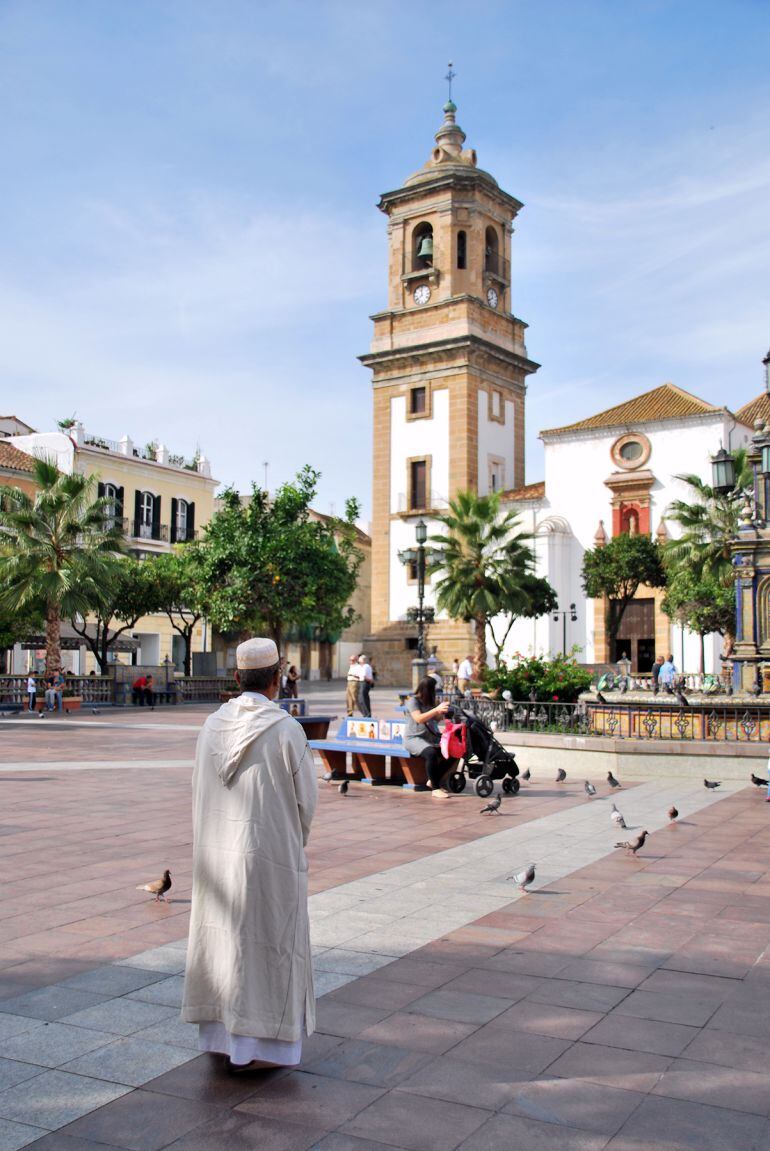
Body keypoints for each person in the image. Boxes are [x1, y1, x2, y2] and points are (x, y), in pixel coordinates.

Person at [181, 636, 317, 1071]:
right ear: (276, 679)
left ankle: (222, 1038)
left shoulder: (210, 727)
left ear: (237, 678)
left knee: (223, 942)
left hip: (217, 855)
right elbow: (305, 805)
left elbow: (198, 790)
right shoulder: (286, 731)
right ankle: (264, 1048)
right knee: (268, 945)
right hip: (268, 856)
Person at [404, 677, 453, 798]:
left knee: (453, 751)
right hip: (414, 738)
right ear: (428, 689)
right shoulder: (413, 701)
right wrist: (436, 710)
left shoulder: (430, 701)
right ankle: (435, 789)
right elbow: (419, 718)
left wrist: (443, 711)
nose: (436, 692)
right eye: (434, 690)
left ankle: (433, 780)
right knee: (431, 753)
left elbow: (435, 718)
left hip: (430, 737)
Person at [358, 653, 374, 717]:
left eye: (360, 661)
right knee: (361, 699)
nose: (359, 662)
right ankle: (365, 713)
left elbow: (364, 676)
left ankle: (367, 714)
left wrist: (369, 681)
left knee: (363, 699)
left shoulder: (366, 666)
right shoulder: (363, 666)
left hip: (365, 683)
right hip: (362, 682)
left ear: (363, 660)